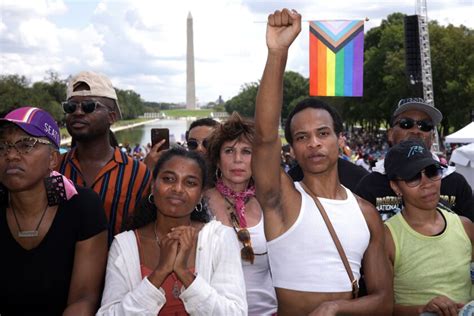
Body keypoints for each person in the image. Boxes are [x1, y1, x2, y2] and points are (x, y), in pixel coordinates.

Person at [252, 9, 392, 315]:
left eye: (323, 133)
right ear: (292, 148)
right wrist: (277, 53)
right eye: (301, 137)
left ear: (339, 139)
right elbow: (263, 139)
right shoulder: (283, 199)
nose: (313, 143)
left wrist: (336, 308)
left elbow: (384, 300)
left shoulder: (367, 214)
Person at [98, 148, 247, 315]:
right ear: (153, 186)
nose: (177, 188)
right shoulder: (124, 246)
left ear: (200, 195)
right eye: (168, 179)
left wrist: (184, 273)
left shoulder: (220, 238)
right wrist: (160, 272)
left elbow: (235, 313)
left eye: (190, 182)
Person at [0, 107, 108, 315]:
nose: (11, 155)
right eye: (2, 145)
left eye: (26, 144)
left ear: (52, 159)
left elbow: (83, 299)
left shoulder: (82, 207)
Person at [58, 71, 152, 242]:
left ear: (112, 116)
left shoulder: (138, 173)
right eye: (70, 107)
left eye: (89, 106)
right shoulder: (53, 168)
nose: (78, 112)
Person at [383, 140, 474, 315]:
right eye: (413, 177)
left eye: (432, 172)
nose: (427, 183)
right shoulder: (387, 238)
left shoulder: (465, 227)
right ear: (395, 186)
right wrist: (422, 309)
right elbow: (382, 307)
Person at [204, 112, 278, 315]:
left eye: (246, 151)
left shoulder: (269, 203)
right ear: (217, 160)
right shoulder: (200, 203)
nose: (238, 159)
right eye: (229, 151)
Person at [355, 98, 474, 222]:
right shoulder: (369, 185)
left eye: (425, 126)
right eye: (406, 123)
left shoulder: (456, 183)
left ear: (433, 138)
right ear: (390, 134)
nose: (416, 131)